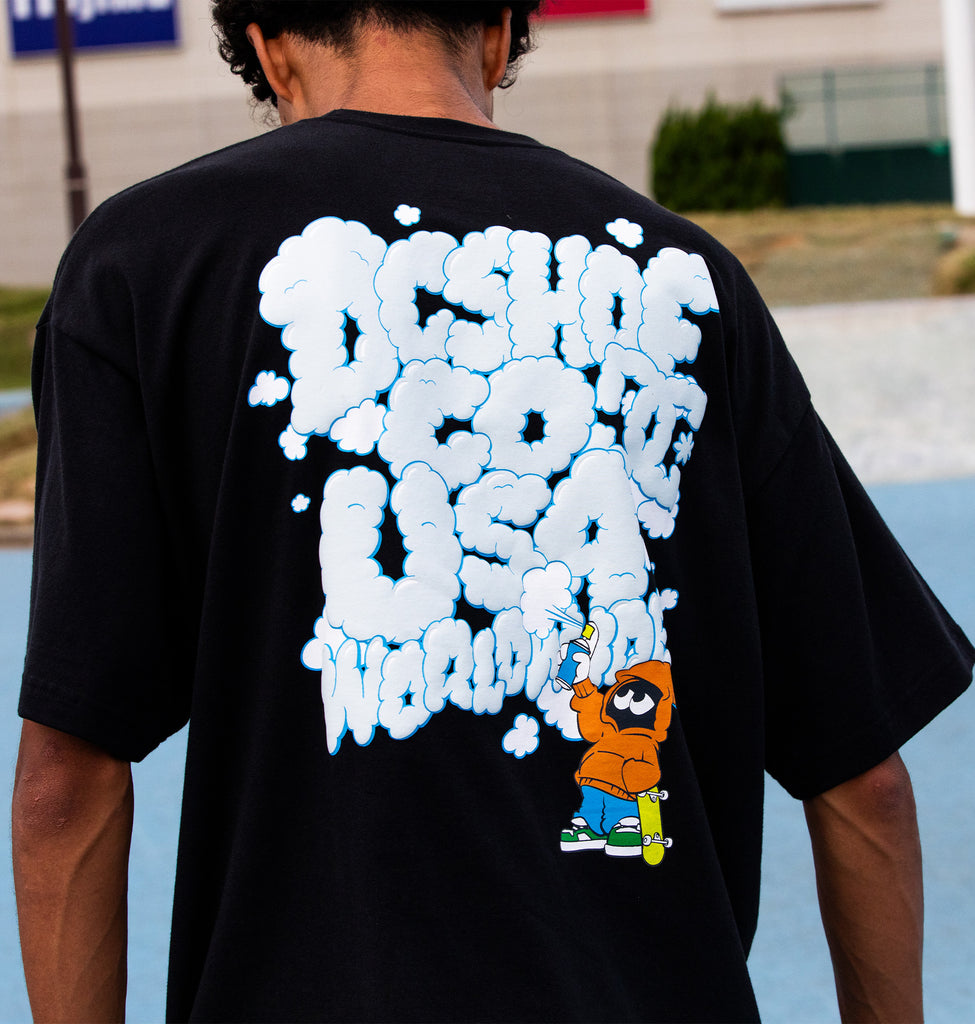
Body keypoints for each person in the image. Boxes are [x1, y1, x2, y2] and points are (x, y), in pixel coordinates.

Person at [12, 2, 973, 1021]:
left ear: (267, 49)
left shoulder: (144, 265)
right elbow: (863, 782)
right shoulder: (688, 283)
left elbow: (66, 782)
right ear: (500, 34)